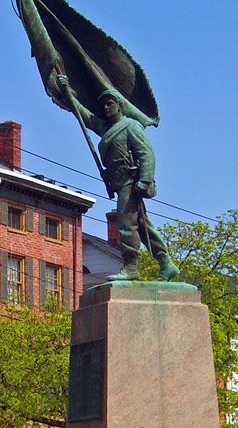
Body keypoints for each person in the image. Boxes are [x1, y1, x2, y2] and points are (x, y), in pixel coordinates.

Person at [60, 80, 179, 282]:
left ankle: (132, 267)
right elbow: (84, 115)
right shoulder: (106, 128)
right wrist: (66, 93)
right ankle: (165, 262)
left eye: (110, 103)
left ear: (120, 105)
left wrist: (146, 180)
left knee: (126, 224)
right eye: (104, 105)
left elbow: (146, 154)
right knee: (141, 225)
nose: (106, 108)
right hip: (118, 181)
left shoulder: (131, 126)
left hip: (131, 181)